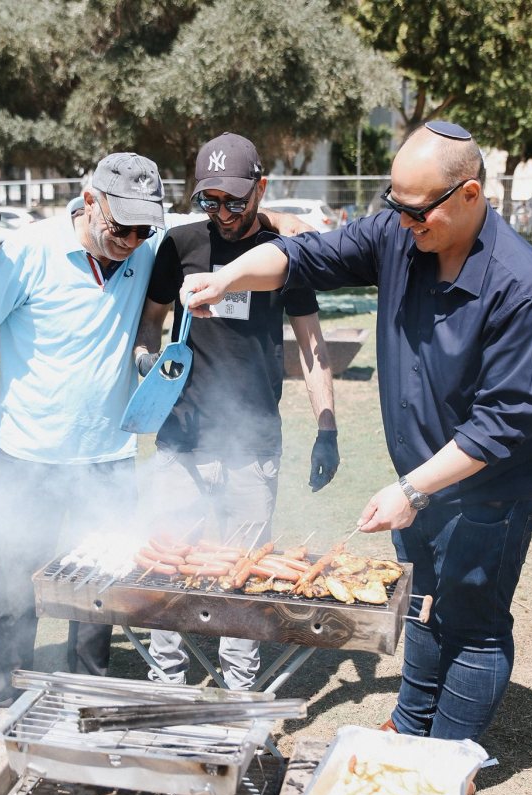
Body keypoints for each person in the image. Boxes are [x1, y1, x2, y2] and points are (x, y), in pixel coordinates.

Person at [179, 121, 532, 744]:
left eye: (416, 210)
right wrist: (227, 279)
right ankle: (412, 722)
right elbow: (304, 254)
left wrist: (413, 491)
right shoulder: (398, 232)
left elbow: (505, 421)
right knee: (421, 601)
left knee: (474, 621)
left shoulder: (523, 286)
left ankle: (448, 759)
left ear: (469, 195)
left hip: (490, 487)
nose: (401, 221)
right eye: (394, 204)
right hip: (419, 476)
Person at [0, 152, 171, 707]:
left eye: (145, 229)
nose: (133, 239)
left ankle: (87, 697)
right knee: (17, 589)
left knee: (99, 591)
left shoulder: (147, 245)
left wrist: (281, 228)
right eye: (123, 227)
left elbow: (217, 231)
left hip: (109, 456)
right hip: (28, 457)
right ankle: (0, 703)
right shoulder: (26, 252)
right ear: (90, 203)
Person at [135, 132, 338, 690]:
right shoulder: (178, 246)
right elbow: (151, 319)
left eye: (234, 200)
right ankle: (166, 685)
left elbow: (310, 342)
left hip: (252, 447)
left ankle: (239, 691)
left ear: (260, 188)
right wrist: (150, 360)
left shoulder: (285, 252)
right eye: (209, 200)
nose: (222, 213)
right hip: (181, 441)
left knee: (242, 571)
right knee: (171, 568)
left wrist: (327, 426)